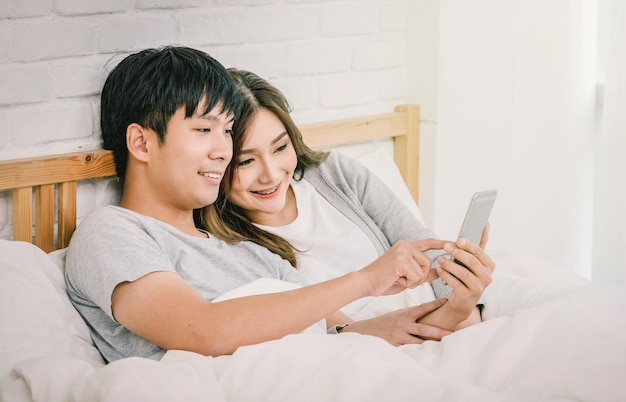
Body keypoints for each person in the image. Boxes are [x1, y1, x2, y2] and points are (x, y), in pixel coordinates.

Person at [64, 45, 453, 363]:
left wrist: (450, 305)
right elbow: (203, 332)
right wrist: (365, 280)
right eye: (203, 130)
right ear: (141, 143)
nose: (223, 150)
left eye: (227, 131)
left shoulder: (252, 252)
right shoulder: (112, 231)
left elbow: (340, 332)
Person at [200, 69, 495, 341]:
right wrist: (458, 312)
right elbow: (345, 334)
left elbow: (420, 243)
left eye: (280, 147)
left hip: (438, 320)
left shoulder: (335, 174)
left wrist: (462, 293)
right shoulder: (228, 247)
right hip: (372, 347)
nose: (271, 173)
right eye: (246, 160)